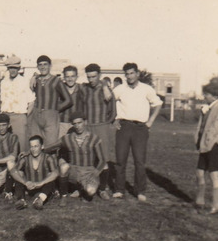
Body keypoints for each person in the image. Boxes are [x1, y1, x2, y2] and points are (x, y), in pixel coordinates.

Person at [113, 63, 162, 202]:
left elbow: (158, 104)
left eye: (132, 73)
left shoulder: (146, 89)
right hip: (123, 127)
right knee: (120, 160)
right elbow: (109, 103)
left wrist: (150, 121)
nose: (129, 76)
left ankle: (140, 190)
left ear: (137, 74)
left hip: (140, 128)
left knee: (139, 161)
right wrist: (114, 119)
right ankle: (119, 189)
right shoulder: (120, 89)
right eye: (127, 74)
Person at [46, 111, 106, 206]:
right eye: (75, 124)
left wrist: (95, 173)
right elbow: (51, 147)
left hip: (88, 172)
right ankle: (64, 196)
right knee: (64, 167)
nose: (77, 126)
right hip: (73, 171)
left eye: (80, 123)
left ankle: (83, 190)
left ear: (85, 122)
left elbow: (102, 160)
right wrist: (33, 150)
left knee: (90, 191)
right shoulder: (68, 138)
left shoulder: (94, 138)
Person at [81, 64, 116, 200]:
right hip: (88, 126)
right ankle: (85, 187)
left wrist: (105, 85)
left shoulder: (106, 90)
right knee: (88, 158)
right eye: (89, 77)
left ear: (100, 75)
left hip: (102, 127)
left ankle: (102, 189)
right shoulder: (84, 89)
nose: (91, 80)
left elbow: (113, 111)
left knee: (104, 159)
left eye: (94, 76)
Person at [194, 79, 218, 214]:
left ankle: (216, 205)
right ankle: (200, 201)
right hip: (204, 145)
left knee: (214, 174)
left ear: (214, 96)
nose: (204, 96)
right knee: (200, 172)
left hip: (214, 147)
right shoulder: (207, 109)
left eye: (206, 94)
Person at [28, 55, 73, 146]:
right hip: (36, 115)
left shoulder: (56, 81)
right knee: (36, 144)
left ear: (50, 66)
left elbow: (69, 100)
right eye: (40, 65)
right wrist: (34, 76)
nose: (43, 67)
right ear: (37, 67)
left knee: (51, 145)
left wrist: (55, 109)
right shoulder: (36, 80)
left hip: (51, 117)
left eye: (45, 64)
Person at [11, 135, 59, 210]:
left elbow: (56, 173)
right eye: (31, 146)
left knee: (50, 177)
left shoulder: (48, 158)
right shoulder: (25, 159)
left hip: (43, 187)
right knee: (19, 174)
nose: (33, 149)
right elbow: (13, 171)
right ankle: (21, 200)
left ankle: (40, 199)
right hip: (29, 186)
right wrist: (25, 182)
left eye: (36, 146)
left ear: (42, 146)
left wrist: (41, 183)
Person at [0, 55, 34, 151]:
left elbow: (31, 102)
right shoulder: (3, 82)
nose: (12, 70)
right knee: (7, 145)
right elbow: (2, 101)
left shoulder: (25, 81)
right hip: (5, 116)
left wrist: (25, 117)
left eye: (15, 68)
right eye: (10, 68)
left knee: (21, 145)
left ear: (18, 68)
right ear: (8, 69)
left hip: (19, 117)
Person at [59, 65, 84, 138]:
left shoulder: (82, 88)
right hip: (62, 123)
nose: (70, 79)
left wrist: (104, 85)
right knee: (62, 146)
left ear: (77, 77)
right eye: (67, 76)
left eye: (72, 76)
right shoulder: (60, 88)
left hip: (77, 124)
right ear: (64, 77)